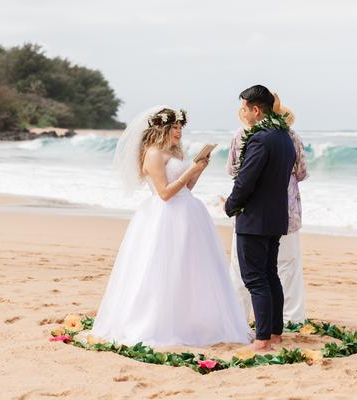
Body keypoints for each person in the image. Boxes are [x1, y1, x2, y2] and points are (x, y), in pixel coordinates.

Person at [91, 106, 251, 347]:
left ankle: (187, 320)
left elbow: (186, 188)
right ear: (162, 128)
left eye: (180, 127)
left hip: (188, 214)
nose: (178, 132)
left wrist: (199, 169)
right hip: (164, 217)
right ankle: (157, 322)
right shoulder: (154, 154)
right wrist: (191, 171)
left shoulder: (175, 152)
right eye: (174, 127)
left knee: (189, 268)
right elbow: (164, 193)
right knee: (163, 268)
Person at [225, 86, 296, 352]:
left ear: (256, 109)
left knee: (255, 278)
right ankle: (276, 333)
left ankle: (262, 338)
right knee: (270, 274)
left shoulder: (260, 138)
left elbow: (246, 179)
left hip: (254, 218)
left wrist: (231, 205)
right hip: (276, 215)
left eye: (244, 108)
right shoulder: (283, 136)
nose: (243, 113)